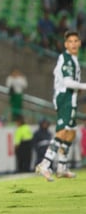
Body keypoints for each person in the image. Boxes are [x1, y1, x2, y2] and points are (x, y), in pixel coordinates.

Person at [36, 30, 83, 181]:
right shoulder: (67, 58)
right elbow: (68, 82)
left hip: (72, 97)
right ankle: (45, 164)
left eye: (76, 41)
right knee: (62, 132)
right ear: (65, 44)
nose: (74, 44)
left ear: (80, 43)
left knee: (71, 133)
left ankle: (62, 167)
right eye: (70, 41)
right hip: (65, 97)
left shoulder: (74, 59)